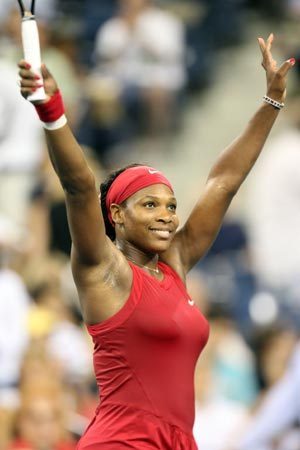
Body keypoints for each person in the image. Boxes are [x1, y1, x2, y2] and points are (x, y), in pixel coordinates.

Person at [17, 33, 294, 449]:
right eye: (149, 205)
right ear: (116, 215)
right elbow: (78, 186)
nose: (166, 216)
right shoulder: (104, 272)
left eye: (170, 206)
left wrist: (271, 101)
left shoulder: (176, 264)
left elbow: (224, 182)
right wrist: (52, 111)